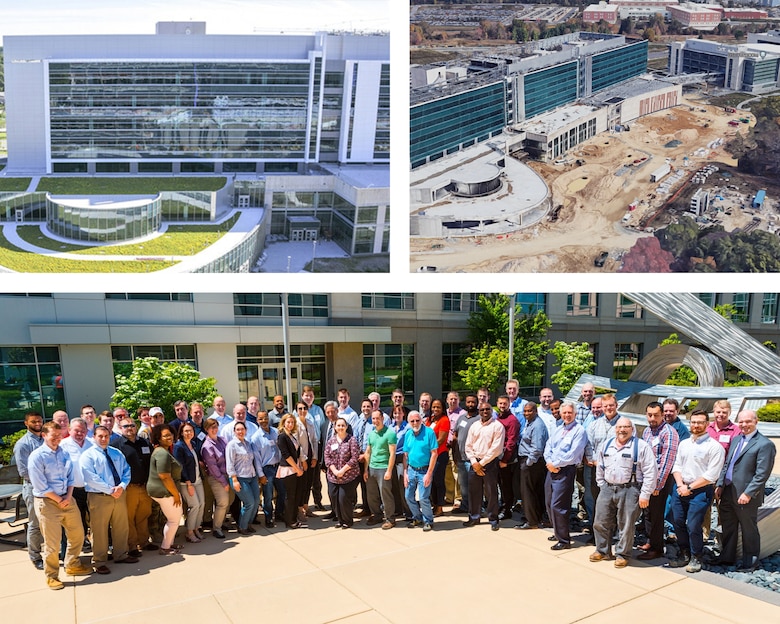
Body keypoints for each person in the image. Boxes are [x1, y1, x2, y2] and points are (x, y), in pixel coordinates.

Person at [27, 422, 93, 590]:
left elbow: (71, 476)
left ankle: (72, 564)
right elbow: (40, 485)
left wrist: (68, 496)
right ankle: (52, 575)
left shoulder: (63, 452)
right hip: (48, 503)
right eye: (53, 436)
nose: (57, 439)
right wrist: (58, 499)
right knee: (52, 543)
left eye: (59, 436)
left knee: (78, 534)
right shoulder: (37, 456)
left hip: (67, 499)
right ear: (44, 435)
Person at [715, 410, 777, 571]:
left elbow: (762, 474)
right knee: (729, 526)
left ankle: (751, 562)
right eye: (741, 421)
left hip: (745, 496)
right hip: (728, 492)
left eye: (748, 421)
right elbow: (727, 465)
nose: (744, 425)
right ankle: (727, 557)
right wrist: (720, 485)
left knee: (749, 529)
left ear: (756, 421)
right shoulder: (736, 440)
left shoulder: (765, 444)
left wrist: (749, 493)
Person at [590, 417, 656, 568]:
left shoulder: (641, 446)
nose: (622, 430)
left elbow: (650, 472)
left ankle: (622, 554)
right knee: (600, 521)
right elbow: (600, 466)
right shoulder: (607, 444)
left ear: (632, 429)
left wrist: (645, 494)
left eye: (626, 427)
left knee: (625, 524)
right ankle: (602, 550)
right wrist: (601, 484)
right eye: (620, 427)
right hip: (607, 487)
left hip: (630, 489)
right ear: (615, 429)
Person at [668, 410, 725, 573]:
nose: (696, 425)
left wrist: (689, 488)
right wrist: (680, 485)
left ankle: (696, 556)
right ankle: (684, 552)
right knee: (677, 521)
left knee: (693, 525)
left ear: (707, 424)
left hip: (700, 491)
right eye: (693, 422)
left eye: (700, 422)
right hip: (680, 487)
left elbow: (711, 475)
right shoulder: (684, 443)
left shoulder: (715, 447)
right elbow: (677, 465)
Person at [80, 425, 137, 573]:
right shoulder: (88, 455)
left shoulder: (116, 453)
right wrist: (110, 490)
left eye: (106, 436)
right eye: (100, 436)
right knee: (99, 530)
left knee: (121, 526)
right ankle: (99, 561)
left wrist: (122, 486)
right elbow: (91, 478)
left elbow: (126, 470)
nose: (104, 439)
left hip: (119, 495)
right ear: (94, 437)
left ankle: (121, 554)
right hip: (99, 497)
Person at [637, 401, 679, 561]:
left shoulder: (669, 432)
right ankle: (651, 541)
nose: (652, 418)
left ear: (662, 415)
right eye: (649, 415)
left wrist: (658, 485)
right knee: (647, 512)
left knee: (656, 514)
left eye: (656, 415)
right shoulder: (647, 431)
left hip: (659, 481)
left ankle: (657, 548)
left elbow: (667, 461)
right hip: (647, 479)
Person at [544, 402, 587, 550]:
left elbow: (573, 454)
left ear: (575, 414)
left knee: (559, 505)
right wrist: (550, 462)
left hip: (565, 470)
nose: (567, 415)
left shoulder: (579, 431)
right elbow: (548, 447)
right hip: (551, 469)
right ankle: (557, 532)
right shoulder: (558, 429)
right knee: (549, 502)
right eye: (564, 413)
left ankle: (564, 540)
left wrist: (556, 463)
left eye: (570, 412)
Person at [111, 416, 153, 555]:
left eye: (132, 425)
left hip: (145, 486)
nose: (130, 428)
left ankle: (144, 542)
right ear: (120, 428)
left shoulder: (144, 442)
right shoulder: (116, 445)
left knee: (143, 515)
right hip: (129, 488)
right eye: (126, 426)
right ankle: (132, 546)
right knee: (129, 518)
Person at [463, 402, 505, 531]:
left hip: (489, 463)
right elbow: (468, 445)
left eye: (487, 409)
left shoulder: (498, 426)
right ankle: (474, 517)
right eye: (482, 410)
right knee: (474, 491)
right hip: (474, 462)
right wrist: (474, 462)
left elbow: (496, 449)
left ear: (492, 411)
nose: (485, 412)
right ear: (479, 411)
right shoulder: (474, 425)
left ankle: (493, 519)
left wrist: (481, 464)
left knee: (491, 492)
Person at [13, 411, 45, 570]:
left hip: (50, 488)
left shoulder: (45, 439)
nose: (38, 423)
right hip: (34, 488)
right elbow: (24, 472)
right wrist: (46, 483)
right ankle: (35, 556)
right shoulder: (23, 444)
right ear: (26, 423)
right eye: (34, 421)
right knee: (35, 523)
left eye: (39, 421)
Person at [147, 424, 184, 555]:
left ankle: (170, 543)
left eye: (170, 434)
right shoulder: (162, 453)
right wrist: (176, 495)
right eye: (165, 435)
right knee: (174, 520)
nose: (169, 437)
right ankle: (165, 547)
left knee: (172, 519)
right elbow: (165, 477)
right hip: (165, 491)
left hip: (161, 490)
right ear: (158, 438)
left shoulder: (162, 450)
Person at [59, 417, 93, 553]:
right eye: (77, 430)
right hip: (72, 491)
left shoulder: (92, 444)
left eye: (83, 431)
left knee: (95, 522)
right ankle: (72, 554)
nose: (80, 433)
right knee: (75, 524)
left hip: (91, 490)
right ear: (69, 430)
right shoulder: (62, 446)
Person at [402, 410, 438, 531]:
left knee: (423, 498)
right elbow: (405, 455)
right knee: (408, 496)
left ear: (421, 420)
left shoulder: (429, 432)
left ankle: (428, 520)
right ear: (409, 422)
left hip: (425, 470)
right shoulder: (408, 434)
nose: (415, 423)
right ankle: (417, 517)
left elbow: (434, 453)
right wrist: (405, 472)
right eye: (412, 421)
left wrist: (429, 473)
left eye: (417, 420)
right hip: (411, 469)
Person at [515, 402, 549, 530]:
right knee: (534, 492)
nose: (526, 413)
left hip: (532, 463)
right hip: (530, 461)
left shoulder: (537, 425)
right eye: (525, 411)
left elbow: (537, 448)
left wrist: (528, 463)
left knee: (528, 492)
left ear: (536, 411)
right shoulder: (530, 423)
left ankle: (531, 521)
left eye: (529, 411)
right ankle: (536, 517)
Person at [324, 417, 361, 528]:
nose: (340, 428)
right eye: (338, 425)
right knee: (333, 497)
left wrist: (343, 470)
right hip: (333, 476)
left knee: (343, 499)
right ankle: (340, 520)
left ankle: (347, 521)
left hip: (348, 476)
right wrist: (335, 470)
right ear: (335, 427)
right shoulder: (331, 441)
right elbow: (327, 456)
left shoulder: (352, 440)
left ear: (346, 427)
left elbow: (354, 458)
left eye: (342, 425)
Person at [225, 421, 261, 535]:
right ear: (234, 432)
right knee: (249, 502)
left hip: (251, 476)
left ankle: (248, 523)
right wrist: (234, 480)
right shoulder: (231, 445)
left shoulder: (248, 443)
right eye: (238, 430)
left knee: (256, 502)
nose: (240, 431)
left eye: (242, 429)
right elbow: (229, 464)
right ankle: (242, 526)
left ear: (246, 430)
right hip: (239, 478)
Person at [364, 410, 398, 529]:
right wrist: (365, 470)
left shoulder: (390, 433)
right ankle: (377, 515)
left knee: (386, 495)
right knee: (371, 495)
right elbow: (368, 452)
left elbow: (392, 453)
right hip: (372, 467)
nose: (375, 421)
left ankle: (390, 519)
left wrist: (389, 470)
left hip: (383, 468)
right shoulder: (371, 434)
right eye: (373, 419)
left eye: (377, 418)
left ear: (382, 418)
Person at [200, 417, 233, 539]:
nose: (214, 429)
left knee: (230, 500)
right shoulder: (207, 447)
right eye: (211, 427)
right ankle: (217, 528)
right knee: (222, 502)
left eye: (216, 426)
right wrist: (224, 482)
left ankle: (222, 521)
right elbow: (213, 467)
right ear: (206, 429)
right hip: (217, 478)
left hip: (228, 475)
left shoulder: (223, 440)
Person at [173, 422, 206, 543]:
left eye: (191, 431)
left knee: (202, 504)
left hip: (197, 479)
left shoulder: (192, 444)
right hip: (187, 482)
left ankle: (196, 528)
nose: (189, 433)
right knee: (194, 505)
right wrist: (188, 483)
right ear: (181, 432)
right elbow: (180, 466)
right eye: (186, 431)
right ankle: (189, 532)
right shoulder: (179, 446)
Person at [252, 411, 285, 528]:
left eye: (265, 418)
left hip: (278, 467)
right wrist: (261, 475)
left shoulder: (276, 432)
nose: (264, 421)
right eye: (260, 419)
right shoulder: (255, 438)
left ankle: (279, 513)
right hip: (266, 470)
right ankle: (268, 517)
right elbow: (256, 459)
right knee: (268, 496)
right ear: (257, 421)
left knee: (282, 492)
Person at [277, 413, 305, 529]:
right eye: (288, 422)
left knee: (295, 495)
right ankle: (290, 521)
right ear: (283, 423)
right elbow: (286, 455)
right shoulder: (282, 436)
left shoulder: (292, 436)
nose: (290, 424)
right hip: (288, 469)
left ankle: (294, 518)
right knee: (290, 496)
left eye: (292, 422)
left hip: (295, 469)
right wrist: (296, 468)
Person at [452, 394, 479, 515]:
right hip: (461, 457)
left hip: (473, 459)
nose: (470, 404)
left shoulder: (479, 418)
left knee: (475, 486)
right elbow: (455, 436)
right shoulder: (461, 418)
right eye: (468, 402)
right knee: (463, 485)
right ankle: (465, 506)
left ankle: (477, 508)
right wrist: (455, 455)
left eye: (473, 402)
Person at [496, 395, 521, 521]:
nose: (502, 406)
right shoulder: (498, 418)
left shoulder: (512, 420)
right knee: (500, 484)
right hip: (497, 456)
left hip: (507, 459)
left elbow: (511, 442)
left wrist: (505, 460)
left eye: (504, 404)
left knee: (507, 485)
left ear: (508, 404)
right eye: (500, 404)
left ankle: (507, 510)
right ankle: (503, 505)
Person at [295, 401, 319, 521]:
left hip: (311, 458)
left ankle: (306, 507)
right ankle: (299, 510)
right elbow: (297, 445)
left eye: (305, 408)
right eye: (300, 408)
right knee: (302, 485)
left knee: (309, 484)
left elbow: (315, 440)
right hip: (301, 460)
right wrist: (303, 460)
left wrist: (314, 457)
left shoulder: (310, 423)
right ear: (296, 410)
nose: (303, 410)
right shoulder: (295, 425)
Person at [428, 398, 450, 516]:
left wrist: (429, 448)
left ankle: (440, 507)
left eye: (438, 407)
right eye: (434, 407)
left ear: (442, 409)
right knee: (431, 481)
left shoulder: (444, 420)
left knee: (438, 481)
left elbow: (441, 440)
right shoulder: (429, 420)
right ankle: (434, 504)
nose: (435, 409)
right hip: (430, 456)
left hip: (440, 455)